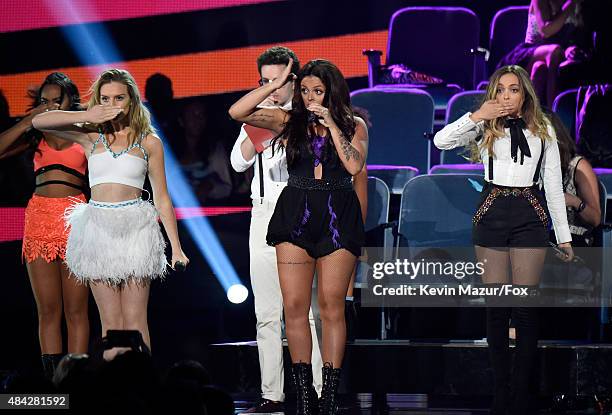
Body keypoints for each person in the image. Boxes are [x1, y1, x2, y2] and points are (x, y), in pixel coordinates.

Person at [229, 59, 368, 415]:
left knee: (330, 307)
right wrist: (275, 87)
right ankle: (305, 398)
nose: (309, 98)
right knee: (293, 306)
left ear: (332, 91)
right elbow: (237, 111)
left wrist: (332, 123)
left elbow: (353, 166)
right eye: (304, 91)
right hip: (296, 211)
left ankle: (329, 398)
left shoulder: (355, 125)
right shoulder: (287, 121)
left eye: (317, 91)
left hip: (337, 211)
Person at [434, 65, 573, 415]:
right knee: (496, 310)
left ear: (524, 93)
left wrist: (564, 236)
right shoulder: (485, 125)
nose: (506, 96)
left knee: (524, 310)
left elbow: (554, 186)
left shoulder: (544, 130)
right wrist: (476, 114)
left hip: (530, 213)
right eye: (500, 90)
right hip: (493, 211)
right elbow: (441, 141)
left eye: (513, 89)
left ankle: (521, 394)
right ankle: (501, 392)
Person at [32, 68, 189, 361]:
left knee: (135, 322)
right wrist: (88, 116)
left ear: (131, 100)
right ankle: (115, 394)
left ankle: (142, 392)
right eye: (104, 98)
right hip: (97, 231)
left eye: (118, 98)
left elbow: (162, 198)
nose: (112, 104)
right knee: (111, 324)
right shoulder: (91, 137)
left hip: (136, 231)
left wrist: (176, 248)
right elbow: (41, 121)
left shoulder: (149, 142)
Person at [229, 46, 323, 414]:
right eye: (266, 81)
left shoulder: (310, 118)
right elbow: (237, 163)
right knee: (267, 312)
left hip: (303, 214)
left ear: (294, 80)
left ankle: (315, 390)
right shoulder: (256, 118)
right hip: (264, 215)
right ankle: (272, 394)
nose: (274, 88)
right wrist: (257, 129)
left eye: (280, 81)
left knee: (307, 312)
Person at [0, 72, 89, 378]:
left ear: (70, 100)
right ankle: (54, 386)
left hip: (76, 219)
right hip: (39, 218)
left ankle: (75, 382)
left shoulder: (86, 130)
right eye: (44, 101)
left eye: (56, 100)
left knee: (76, 310)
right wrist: (28, 121)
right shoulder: (34, 134)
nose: (50, 106)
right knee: (48, 311)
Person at [499, 0, 584, 107]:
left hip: (552, 58)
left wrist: (570, 48)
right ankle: (554, 115)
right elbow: (545, 31)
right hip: (529, 53)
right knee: (555, 52)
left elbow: (576, 36)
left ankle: (537, 117)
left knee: (540, 68)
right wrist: (569, 6)